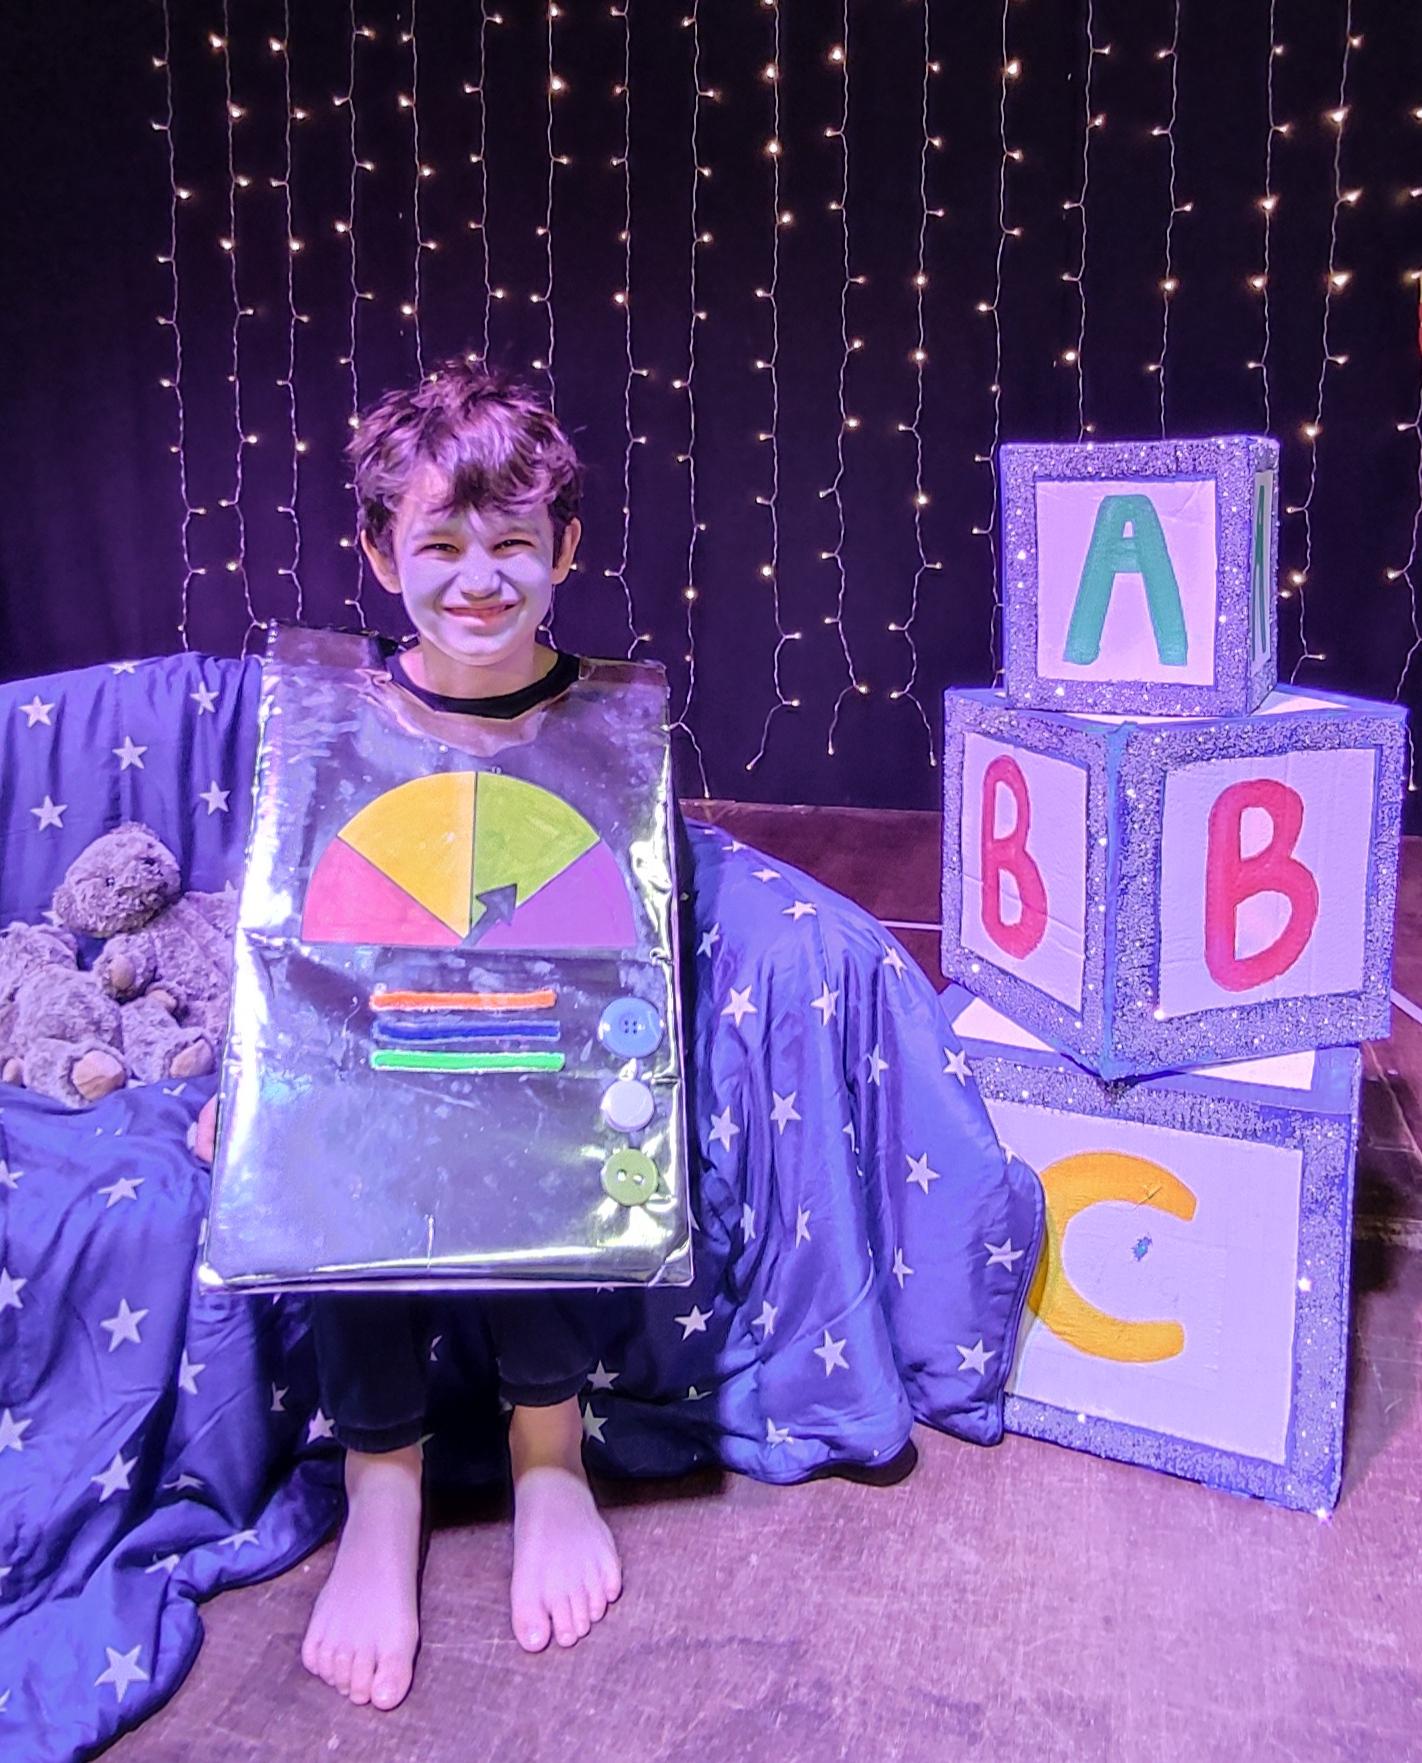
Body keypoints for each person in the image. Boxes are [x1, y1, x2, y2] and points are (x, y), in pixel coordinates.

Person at [193, 356, 1042, 1717]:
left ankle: (548, 1456)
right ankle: (381, 1482)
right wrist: (257, 1089)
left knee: (570, 1136)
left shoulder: (607, 728)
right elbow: (288, 941)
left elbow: (618, 940)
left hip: (547, 1059)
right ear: (381, 553)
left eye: (512, 544)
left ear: (565, 547)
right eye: (440, 546)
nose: (479, 579)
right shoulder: (333, 728)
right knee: (338, 1153)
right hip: (380, 1056)